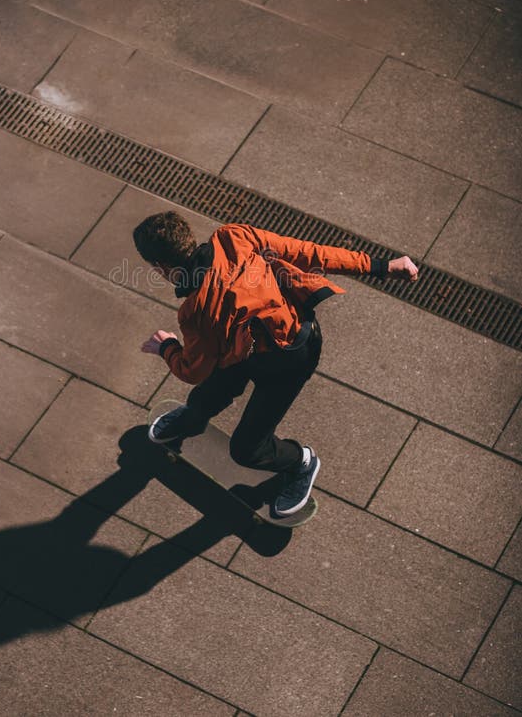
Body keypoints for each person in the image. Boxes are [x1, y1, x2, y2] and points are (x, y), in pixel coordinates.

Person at [134, 212, 418, 517]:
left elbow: (192, 370)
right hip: (257, 343)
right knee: (207, 396)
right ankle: (193, 418)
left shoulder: (194, 313)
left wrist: (167, 348)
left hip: (287, 364)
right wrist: (380, 266)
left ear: (162, 268)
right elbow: (308, 253)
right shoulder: (234, 236)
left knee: (246, 450)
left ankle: (301, 462)